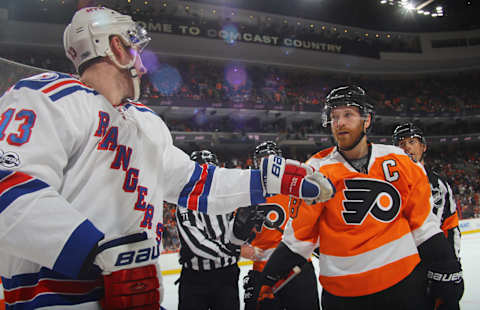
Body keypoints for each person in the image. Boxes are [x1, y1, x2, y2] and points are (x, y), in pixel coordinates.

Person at [0, 7, 333, 309]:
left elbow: (197, 184)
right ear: (115, 47)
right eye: (135, 49)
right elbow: (9, 192)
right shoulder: (49, 98)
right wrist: (101, 253)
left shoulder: (145, 123)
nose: (143, 65)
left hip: (137, 295)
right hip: (56, 298)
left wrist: (267, 180)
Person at [254, 86, 463, 310]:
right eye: (334, 117)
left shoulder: (400, 160)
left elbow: (423, 226)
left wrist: (446, 264)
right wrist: (267, 280)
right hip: (343, 297)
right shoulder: (315, 170)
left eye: (348, 115)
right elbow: (299, 240)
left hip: (405, 287)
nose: (340, 122)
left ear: (366, 120)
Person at [229, 141, 320, 310]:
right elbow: (234, 235)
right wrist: (241, 248)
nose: (266, 165)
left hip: (297, 267)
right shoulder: (246, 192)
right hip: (263, 269)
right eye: (262, 160)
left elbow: (313, 222)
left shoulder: (296, 186)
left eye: (270, 160)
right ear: (255, 163)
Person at [176, 150, 241, 310]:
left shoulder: (228, 196)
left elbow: (234, 230)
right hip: (196, 278)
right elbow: (196, 244)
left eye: (210, 171)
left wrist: (243, 233)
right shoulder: (184, 201)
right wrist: (232, 251)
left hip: (226, 275)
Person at [392, 123, 461, 260]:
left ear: (423, 146)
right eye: (401, 144)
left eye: (412, 141)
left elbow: (450, 225)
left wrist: (453, 261)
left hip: (435, 261)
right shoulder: (387, 184)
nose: (407, 147)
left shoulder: (441, 185)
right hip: (401, 265)